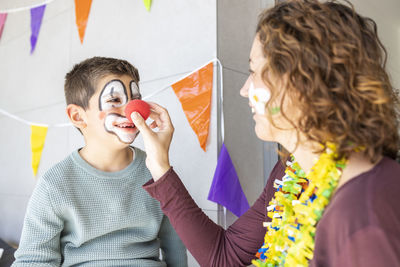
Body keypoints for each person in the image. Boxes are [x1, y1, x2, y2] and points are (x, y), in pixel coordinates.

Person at [131, 1, 400, 266]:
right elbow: (224, 257)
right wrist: (160, 166)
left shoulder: (365, 213)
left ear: (303, 82)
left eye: (255, 72)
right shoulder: (289, 172)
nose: (244, 89)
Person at [12, 57, 187, 267]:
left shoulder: (157, 170)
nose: (134, 111)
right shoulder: (55, 184)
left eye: (135, 100)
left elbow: (175, 245)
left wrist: (162, 169)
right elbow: (33, 260)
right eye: (114, 100)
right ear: (78, 116)